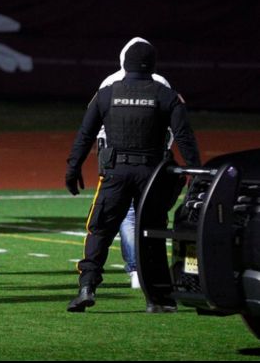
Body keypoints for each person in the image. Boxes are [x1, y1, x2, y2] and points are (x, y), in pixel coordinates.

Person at [65, 40, 201, 312]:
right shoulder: (165, 95)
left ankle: (87, 288)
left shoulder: (106, 93)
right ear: (153, 64)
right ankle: (159, 299)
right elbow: (184, 138)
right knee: (152, 233)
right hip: (151, 175)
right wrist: (195, 172)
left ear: (124, 62)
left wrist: (73, 168)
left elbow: (85, 134)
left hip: (114, 173)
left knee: (100, 230)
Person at [96, 37, 174, 290]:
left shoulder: (110, 82)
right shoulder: (160, 83)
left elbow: (95, 123)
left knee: (124, 216)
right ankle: (150, 270)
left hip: (116, 160)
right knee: (152, 216)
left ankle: (135, 270)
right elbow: (174, 124)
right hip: (152, 160)